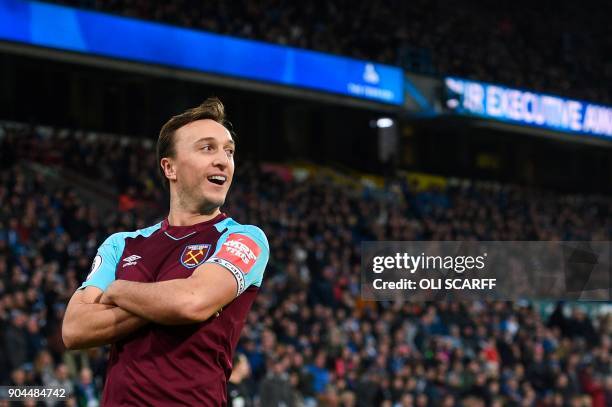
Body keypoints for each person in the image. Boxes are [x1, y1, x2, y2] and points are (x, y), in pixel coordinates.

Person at [62, 97, 270, 406]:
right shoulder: (122, 244)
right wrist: (168, 302)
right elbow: (74, 329)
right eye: (207, 148)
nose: (224, 160)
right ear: (169, 167)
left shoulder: (244, 238)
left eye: (229, 151)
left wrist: (118, 290)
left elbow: (191, 302)